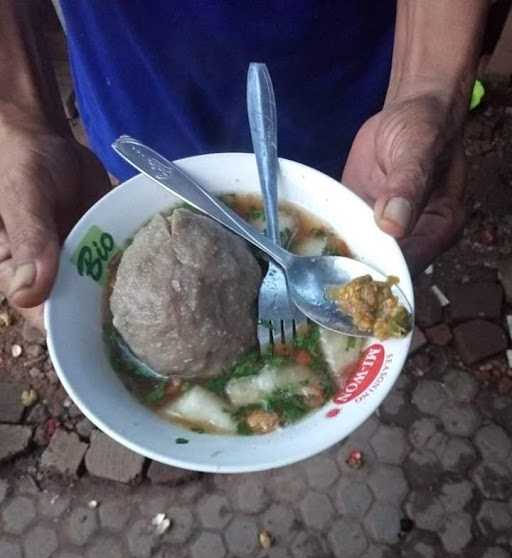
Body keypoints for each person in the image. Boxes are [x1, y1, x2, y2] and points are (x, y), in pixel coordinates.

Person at [0, 1, 495, 330]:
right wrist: (18, 114)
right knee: (135, 200)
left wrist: (426, 84)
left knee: (371, 214)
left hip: (348, 107)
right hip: (135, 92)